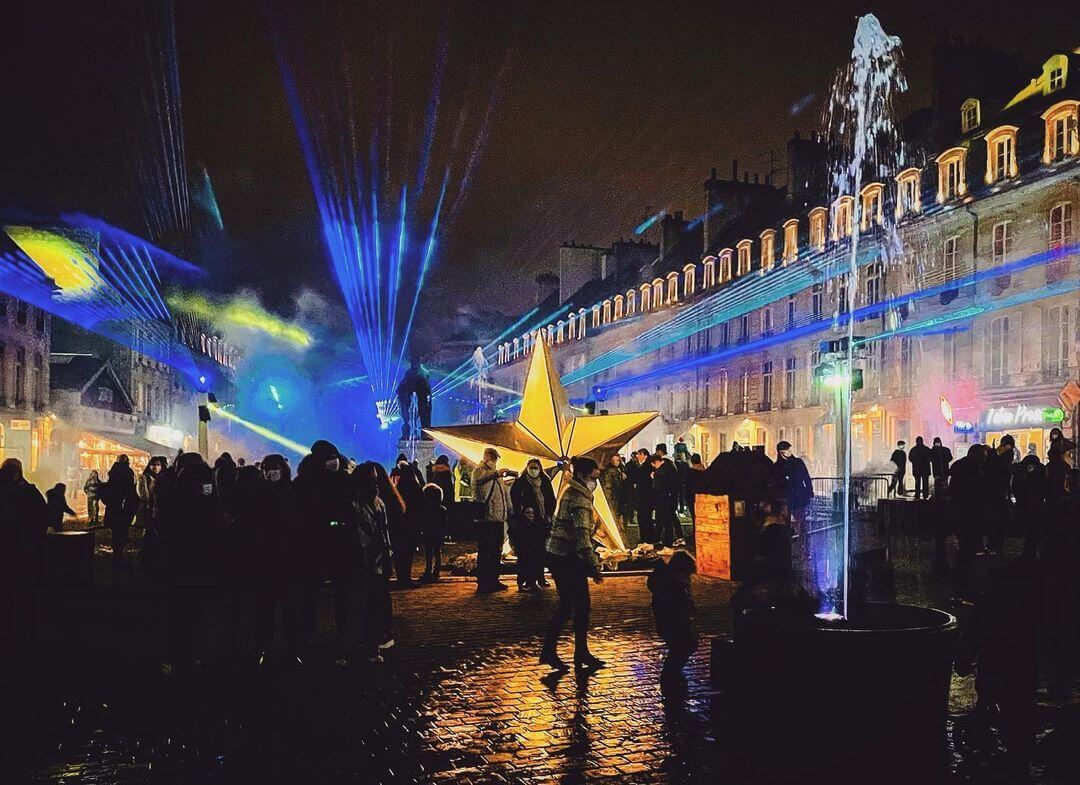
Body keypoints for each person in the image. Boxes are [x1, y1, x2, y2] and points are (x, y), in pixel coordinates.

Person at [954, 556, 1043, 770]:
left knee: (1003, 706)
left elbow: (974, 635)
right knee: (1018, 714)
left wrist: (964, 661)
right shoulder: (1033, 602)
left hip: (999, 667)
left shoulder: (992, 600)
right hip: (1020, 668)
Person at [293, 440, 355, 662]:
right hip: (314, 545)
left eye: (335, 457)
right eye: (329, 459)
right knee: (309, 594)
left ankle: (343, 636)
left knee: (343, 594)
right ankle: (305, 636)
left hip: (340, 545)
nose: (333, 462)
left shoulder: (345, 481)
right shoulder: (305, 484)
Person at [540, 456, 605, 672]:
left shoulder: (575, 493)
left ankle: (578, 651)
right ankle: (553, 651)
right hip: (566, 557)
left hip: (561, 555)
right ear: (584, 476)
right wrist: (594, 566)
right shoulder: (578, 498)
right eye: (594, 477)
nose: (596, 482)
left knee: (576, 605)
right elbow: (581, 537)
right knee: (573, 605)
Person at [0, 459, 48, 644]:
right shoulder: (30, 493)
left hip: (15, 551)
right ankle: (25, 632)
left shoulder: (28, 493)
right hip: (24, 551)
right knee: (23, 595)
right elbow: (42, 519)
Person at [355, 462, 394, 661]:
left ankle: (372, 645)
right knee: (362, 604)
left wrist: (387, 555)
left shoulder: (379, 503)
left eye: (377, 479)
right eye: (372, 479)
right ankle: (358, 644)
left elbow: (385, 532)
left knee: (374, 604)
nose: (376, 483)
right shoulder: (355, 504)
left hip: (377, 560)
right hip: (361, 561)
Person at [648, 550, 697, 688]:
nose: (688, 578)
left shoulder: (672, 582)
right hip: (672, 624)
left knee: (682, 647)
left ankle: (672, 674)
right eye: (686, 574)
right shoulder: (669, 586)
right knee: (682, 647)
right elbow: (673, 607)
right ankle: (670, 676)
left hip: (672, 623)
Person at [472, 447, 515, 593]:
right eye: (493, 459)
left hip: (498, 518)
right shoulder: (480, 471)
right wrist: (496, 473)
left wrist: (509, 511)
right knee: (485, 551)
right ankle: (483, 582)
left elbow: (504, 495)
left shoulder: (497, 477)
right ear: (486, 458)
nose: (494, 462)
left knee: (496, 551)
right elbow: (479, 480)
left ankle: (493, 579)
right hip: (486, 519)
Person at [510, 458, 556, 591]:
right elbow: (515, 499)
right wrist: (522, 513)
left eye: (536, 468)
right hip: (526, 523)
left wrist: (548, 514)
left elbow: (550, 499)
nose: (534, 471)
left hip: (541, 522)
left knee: (540, 552)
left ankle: (540, 577)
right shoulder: (521, 482)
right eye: (531, 468)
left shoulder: (545, 481)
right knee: (526, 553)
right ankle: (527, 580)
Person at [949, 444, 987, 601]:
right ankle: (964, 584)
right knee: (967, 550)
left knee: (965, 549)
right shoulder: (972, 470)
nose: (984, 460)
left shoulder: (960, 466)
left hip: (962, 513)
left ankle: (963, 581)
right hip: (968, 514)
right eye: (983, 456)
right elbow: (975, 492)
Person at [391, 457, 425, 585]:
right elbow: (421, 504)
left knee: (399, 552)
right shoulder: (413, 484)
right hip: (411, 523)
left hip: (399, 523)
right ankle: (406, 577)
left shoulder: (395, 485)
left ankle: (401, 577)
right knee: (408, 552)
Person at [102, 456, 138, 568]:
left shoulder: (113, 472)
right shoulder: (129, 472)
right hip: (125, 506)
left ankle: (116, 553)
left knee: (116, 531)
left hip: (113, 506)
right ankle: (119, 553)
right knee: (123, 530)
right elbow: (131, 490)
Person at [983, 434, 1015, 555]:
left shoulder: (1003, 455)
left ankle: (994, 544)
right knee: (996, 519)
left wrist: (993, 453)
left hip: (997, 491)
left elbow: (999, 467)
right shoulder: (1003, 454)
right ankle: (994, 544)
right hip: (997, 491)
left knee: (996, 519)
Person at [772, 441, 813, 529]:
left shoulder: (798, 462)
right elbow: (775, 483)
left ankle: (801, 540)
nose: (790, 451)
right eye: (787, 450)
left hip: (798, 498)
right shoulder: (777, 466)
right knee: (786, 523)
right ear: (781, 452)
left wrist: (810, 492)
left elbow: (806, 477)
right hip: (786, 498)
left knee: (801, 523)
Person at [1012, 453, 1046, 558]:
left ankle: (1028, 553)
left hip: (1026, 505)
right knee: (1032, 532)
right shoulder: (1040, 471)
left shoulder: (1021, 472)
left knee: (1030, 532)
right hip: (1033, 506)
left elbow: (1016, 488)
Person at [651, 451, 681, 547]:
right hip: (671, 498)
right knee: (667, 520)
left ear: (656, 462)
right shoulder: (671, 466)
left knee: (664, 521)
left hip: (662, 500)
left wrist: (653, 477)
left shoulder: (659, 472)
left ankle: (665, 541)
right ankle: (665, 540)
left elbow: (657, 487)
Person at [419, 483, 447, 581]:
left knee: (428, 553)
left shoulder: (425, 510)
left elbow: (423, 522)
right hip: (438, 534)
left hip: (428, 534)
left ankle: (428, 570)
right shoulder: (442, 509)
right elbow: (444, 523)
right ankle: (436, 571)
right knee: (437, 552)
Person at [628, 448, 655, 545]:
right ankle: (647, 537)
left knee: (644, 518)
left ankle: (646, 538)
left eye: (640, 454)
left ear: (645, 456)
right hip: (645, 498)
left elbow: (640, 481)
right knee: (646, 518)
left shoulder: (645, 467)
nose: (637, 456)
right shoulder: (645, 467)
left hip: (644, 498)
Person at [599, 454, 627, 536]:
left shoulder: (609, 470)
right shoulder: (613, 471)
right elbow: (617, 484)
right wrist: (623, 479)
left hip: (609, 493)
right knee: (614, 512)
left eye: (618, 460)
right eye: (616, 460)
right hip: (612, 494)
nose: (618, 462)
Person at [1046, 427, 1076, 503]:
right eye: (1053, 433)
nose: (1054, 435)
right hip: (1054, 468)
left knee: (1059, 486)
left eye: (1056, 433)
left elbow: (1073, 446)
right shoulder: (1053, 443)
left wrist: (1065, 453)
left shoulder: (1060, 442)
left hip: (1060, 468)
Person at [136, 456, 166, 529]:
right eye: (153, 464)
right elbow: (143, 494)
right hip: (147, 509)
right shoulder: (144, 478)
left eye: (158, 464)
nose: (156, 467)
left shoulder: (162, 478)